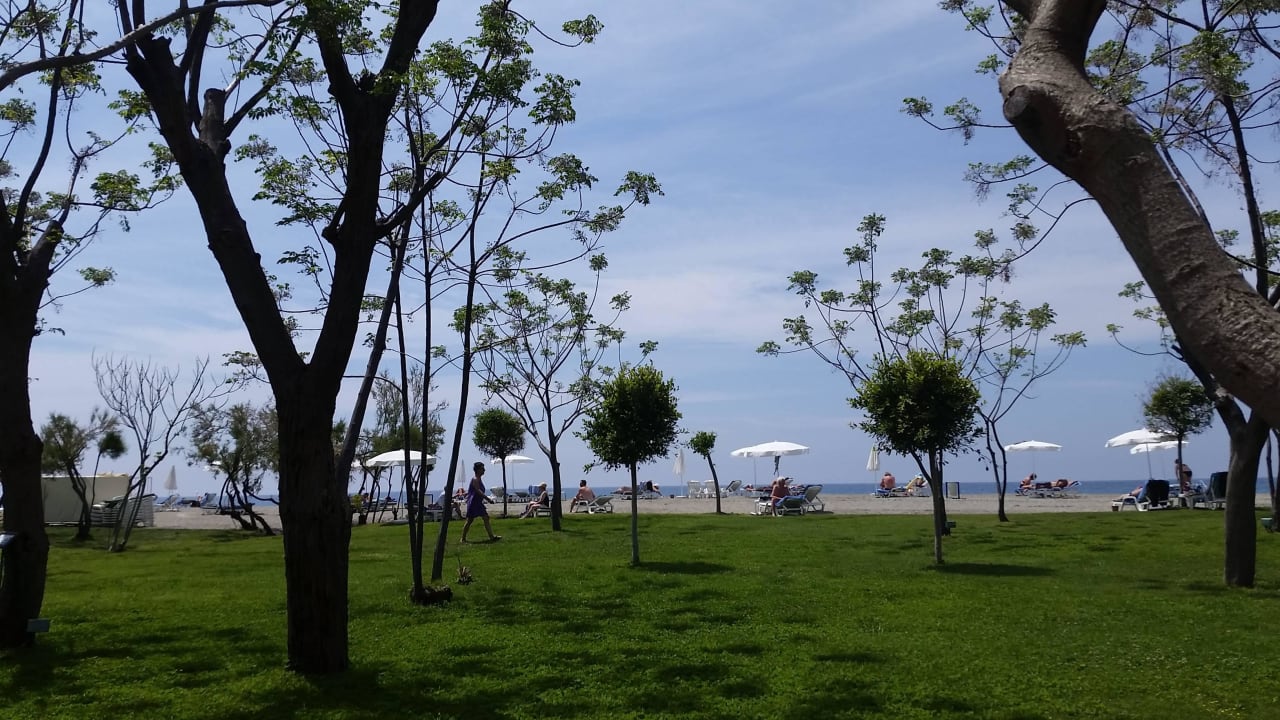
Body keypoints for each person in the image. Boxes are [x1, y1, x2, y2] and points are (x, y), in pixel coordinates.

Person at [460, 462, 500, 543]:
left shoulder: (479, 479)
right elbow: (478, 491)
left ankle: (492, 537)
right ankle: (463, 539)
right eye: (482, 468)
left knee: (486, 518)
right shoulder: (475, 479)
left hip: (478, 503)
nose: (484, 470)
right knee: (469, 521)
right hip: (473, 503)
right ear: (478, 470)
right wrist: (488, 499)